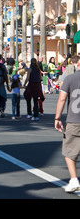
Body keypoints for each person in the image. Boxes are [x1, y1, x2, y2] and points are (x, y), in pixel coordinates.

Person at [55, 55, 80, 193]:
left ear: (77, 65)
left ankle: (74, 179)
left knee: (69, 151)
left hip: (74, 120)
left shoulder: (70, 78)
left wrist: (57, 118)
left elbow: (62, 99)